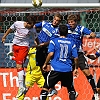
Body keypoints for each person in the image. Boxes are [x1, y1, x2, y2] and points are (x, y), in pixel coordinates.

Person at [40, 25, 79, 100]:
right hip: (67, 69)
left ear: (58, 32)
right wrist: (76, 68)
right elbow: (76, 57)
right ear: (67, 33)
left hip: (55, 69)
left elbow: (51, 54)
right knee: (71, 90)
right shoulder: (72, 42)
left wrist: (45, 63)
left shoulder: (54, 41)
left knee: (45, 88)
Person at [1, 15, 36, 98]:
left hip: (23, 47)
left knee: (19, 66)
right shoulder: (17, 24)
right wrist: (4, 36)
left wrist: (37, 44)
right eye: (31, 24)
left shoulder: (32, 29)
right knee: (18, 67)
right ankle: (14, 57)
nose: (32, 26)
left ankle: (21, 87)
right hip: (15, 45)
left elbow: (35, 37)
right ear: (27, 23)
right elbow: (10, 29)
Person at [66, 14, 97, 100]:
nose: (70, 24)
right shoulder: (66, 27)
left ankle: (95, 92)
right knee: (67, 75)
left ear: (76, 22)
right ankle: (73, 92)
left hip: (78, 54)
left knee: (87, 73)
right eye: (69, 22)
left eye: (72, 22)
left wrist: (91, 35)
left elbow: (93, 34)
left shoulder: (81, 29)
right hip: (68, 55)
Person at [33, 13, 63, 96]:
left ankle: (51, 87)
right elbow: (34, 27)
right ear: (53, 19)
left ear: (59, 22)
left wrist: (41, 45)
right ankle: (51, 87)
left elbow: (50, 42)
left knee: (47, 68)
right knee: (41, 67)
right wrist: (35, 38)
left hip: (46, 49)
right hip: (38, 46)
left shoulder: (57, 31)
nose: (55, 22)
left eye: (58, 21)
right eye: (55, 20)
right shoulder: (44, 23)